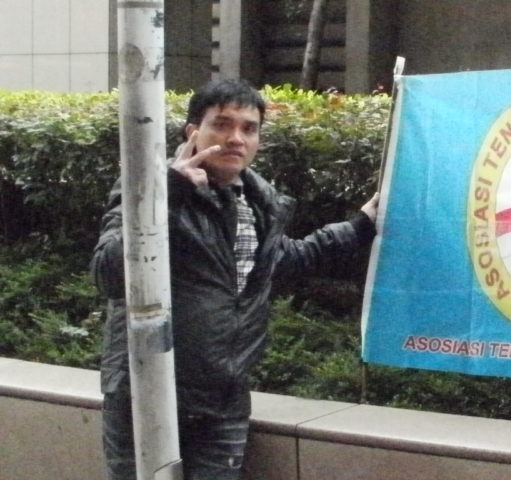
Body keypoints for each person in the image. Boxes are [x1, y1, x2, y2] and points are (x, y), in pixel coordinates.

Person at [91, 78, 380, 480]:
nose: (235, 138)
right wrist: (169, 192)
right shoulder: (148, 189)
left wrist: (361, 225)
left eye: (248, 128)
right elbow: (107, 272)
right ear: (193, 132)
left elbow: (282, 263)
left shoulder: (258, 202)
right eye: (221, 125)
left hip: (223, 403)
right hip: (146, 399)